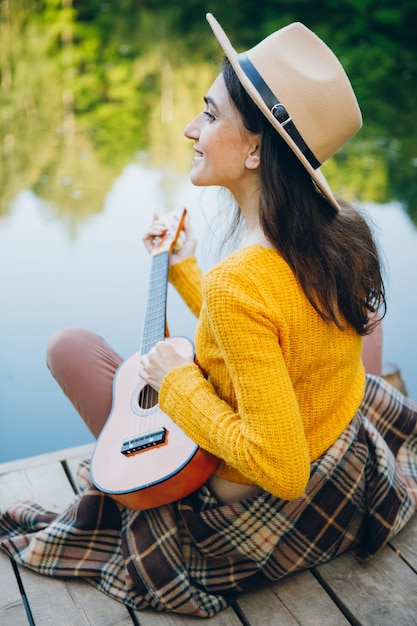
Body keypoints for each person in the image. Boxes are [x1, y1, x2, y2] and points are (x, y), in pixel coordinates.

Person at [1, 13, 417, 618]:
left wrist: (176, 381)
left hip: (246, 507)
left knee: (70, 347)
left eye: (211, 114)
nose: (193, 129)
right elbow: (270, 324)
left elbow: (282, 468)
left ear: (256, 148)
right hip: (345, 466)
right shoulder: (338, 231)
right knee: (361, 326)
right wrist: (186, 268)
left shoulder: (240, 280)